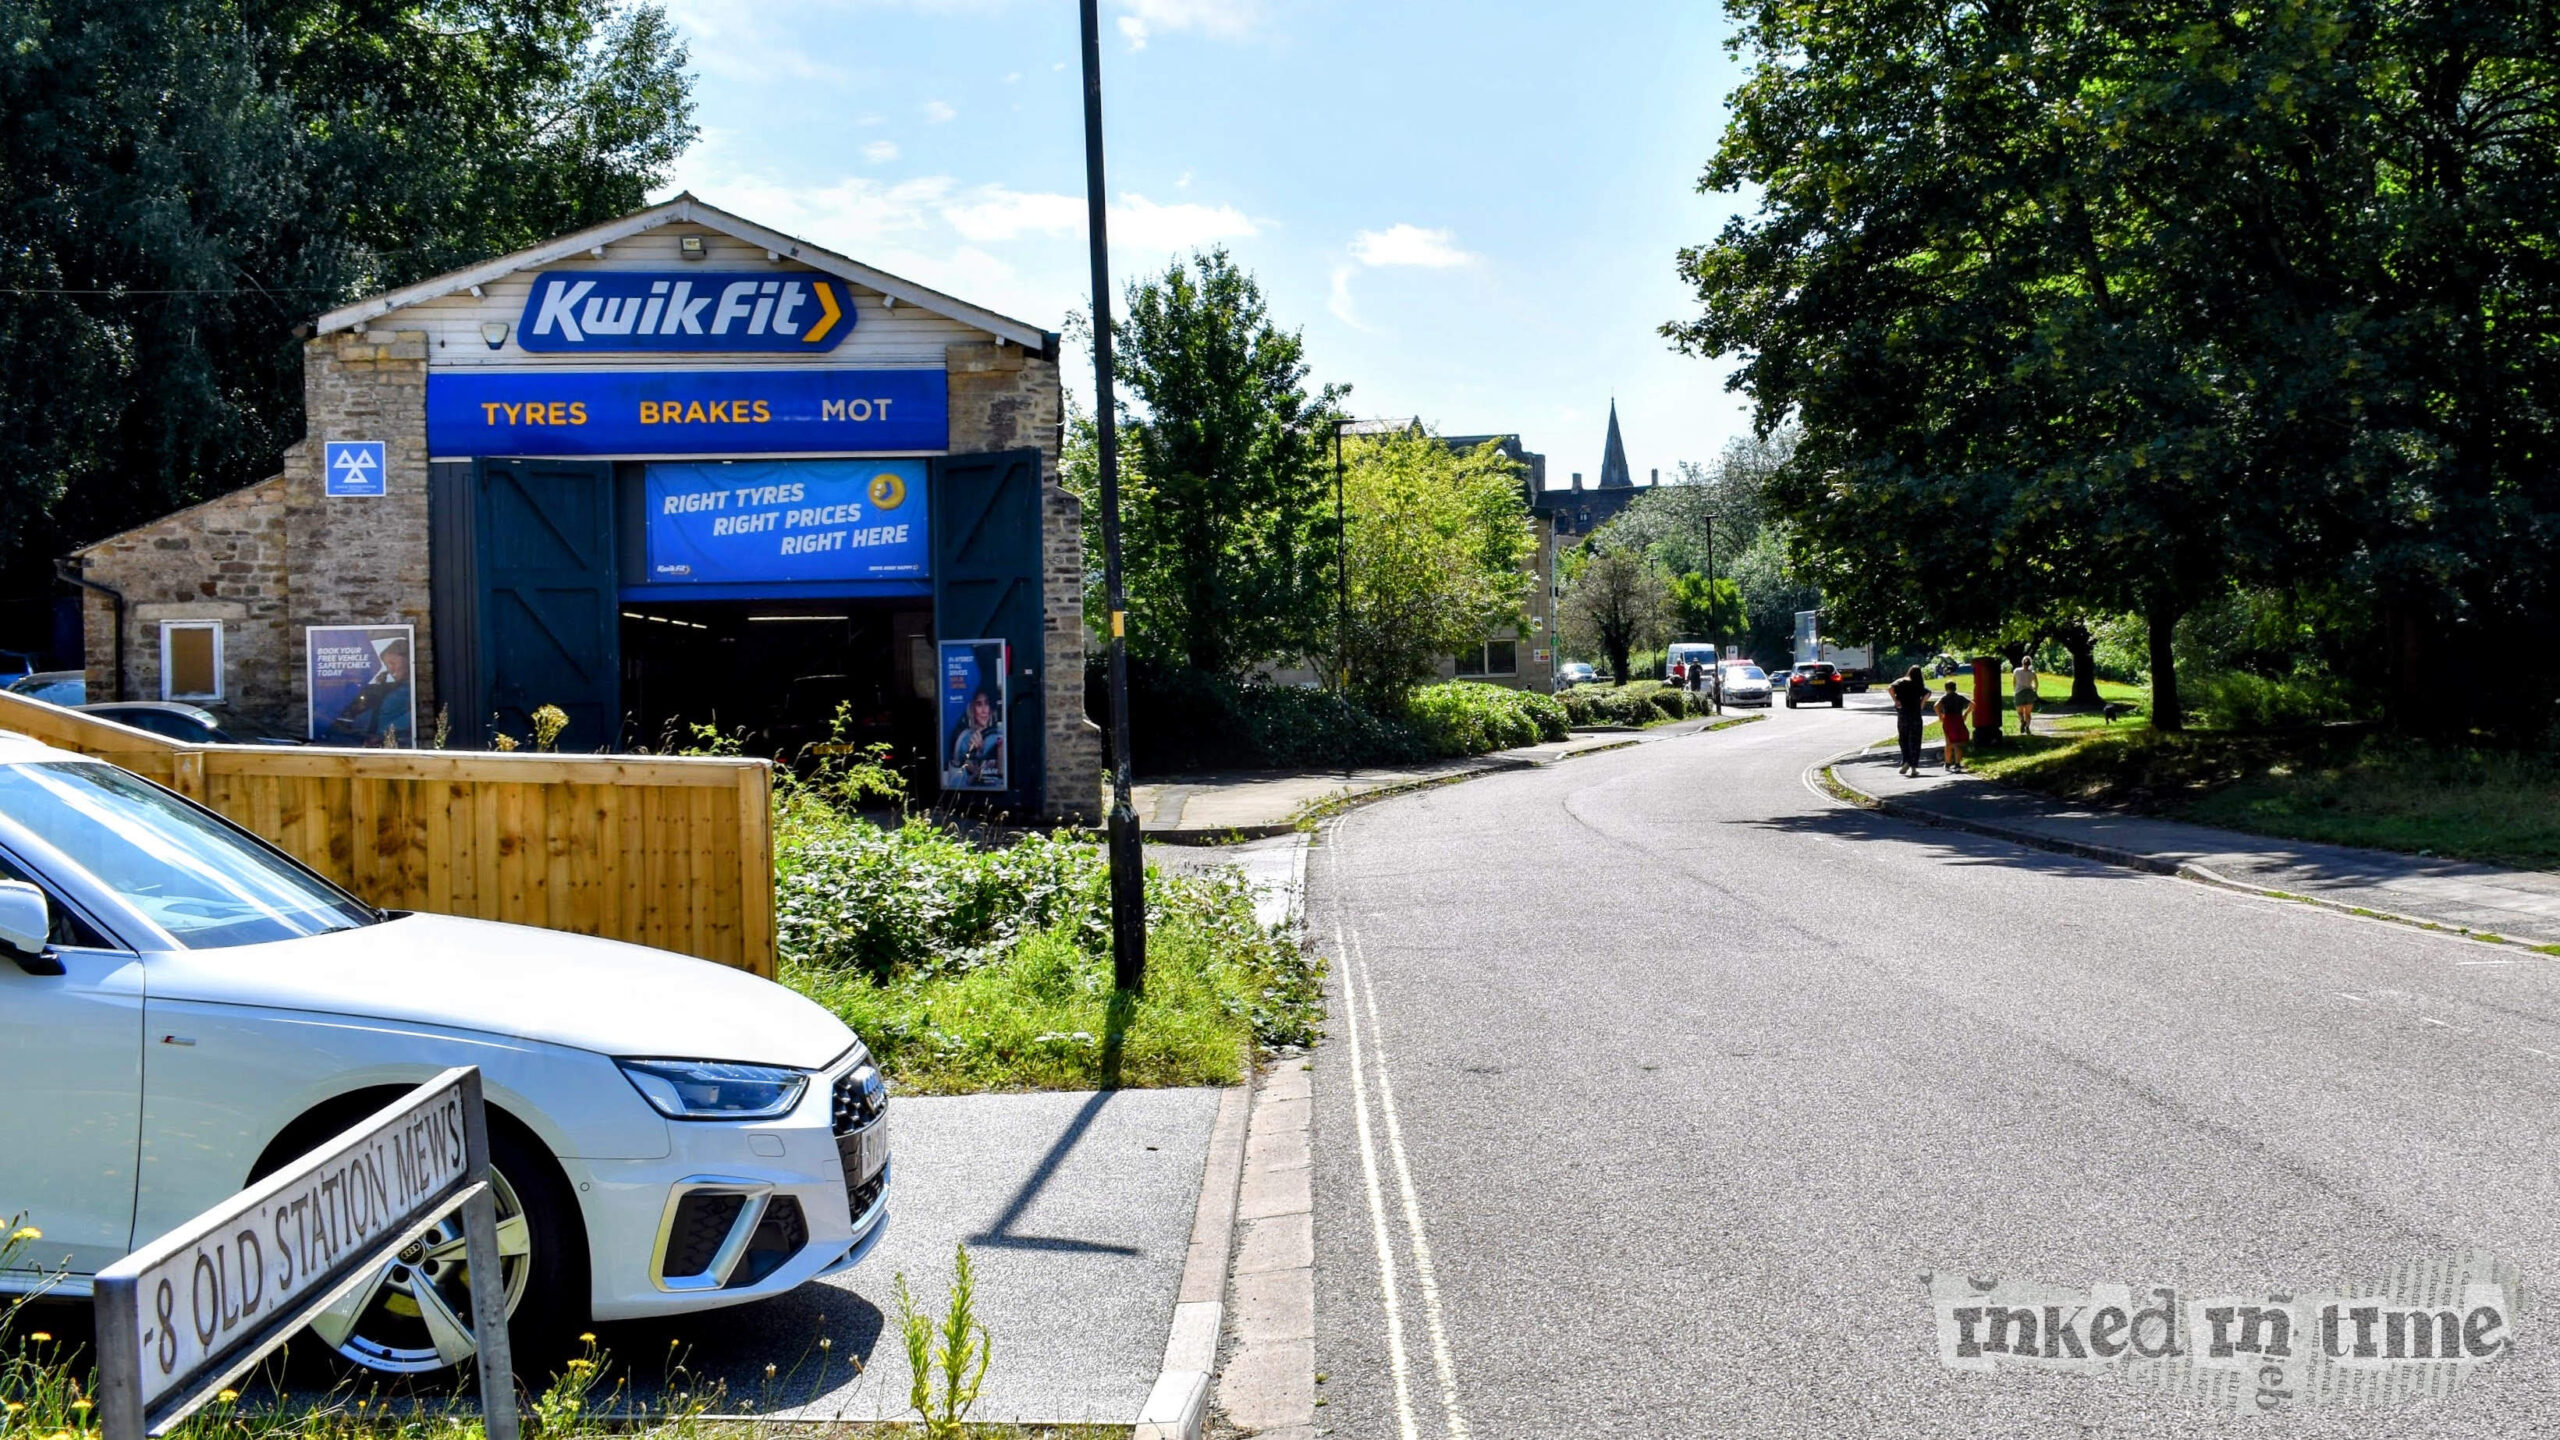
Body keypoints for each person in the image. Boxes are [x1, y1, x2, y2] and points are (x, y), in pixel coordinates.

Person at [327, 637, 414, 748]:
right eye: (387, 666)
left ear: (408, 659)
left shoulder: (412, 689)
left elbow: (411, 716)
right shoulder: (393, 688)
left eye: (393, 663)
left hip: (386, 739)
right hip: (365, 732)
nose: (390, 669)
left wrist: (382, 735)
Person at [945, 686, 1004, 789]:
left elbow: (1000, 774)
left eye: (987, 704)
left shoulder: (997, 736)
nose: (984, 710)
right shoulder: (963, 738)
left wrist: (983, 752)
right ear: (972, 708)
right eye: (979, 704)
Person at [1888, 665, 1929, 777]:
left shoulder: (1901, 681)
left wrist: (1896, 700)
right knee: (1915, 741)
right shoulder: (1918, 684)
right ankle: (1914, 768)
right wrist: (1922, 704)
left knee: (1903, 738)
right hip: (1915, 715)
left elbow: (1890, 688)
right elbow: (1927, 693)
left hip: (1903, 714)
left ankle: (1906, 760)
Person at [1937, 679, 1972, 771]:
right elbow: (1973, 704)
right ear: (1955, 688)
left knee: (1949, 742)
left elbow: (1936, 706)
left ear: (1946, 688)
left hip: (1948, 720)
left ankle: (1947, 764)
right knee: (1958, 743)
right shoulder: (1960, 697)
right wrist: (1966, 713)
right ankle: (1957, 764)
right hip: (1958, 719)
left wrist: (1940, 715)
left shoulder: (1945, 697)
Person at [2013, 656, 2040, 734]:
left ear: (2022, 662)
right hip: (2029, 693)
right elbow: (2036, 683)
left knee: (2020, 712)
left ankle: (2022, 721)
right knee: (2028, 713)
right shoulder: (2032, 673)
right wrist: (2035, 690)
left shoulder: (2016, 671)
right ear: (2030, 664)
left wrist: (2015, 689)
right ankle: (2027, 727)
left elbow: (2014, 681)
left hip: (2019, 693)